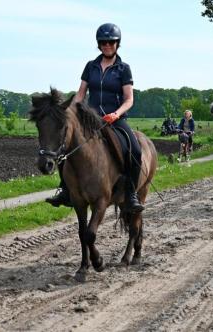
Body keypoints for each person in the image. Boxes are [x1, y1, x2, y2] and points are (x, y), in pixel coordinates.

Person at [46, 23, 144, 213]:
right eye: (103, 42)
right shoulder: (90, 66)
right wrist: (70, 111)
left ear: (117, 44)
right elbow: (81, 93)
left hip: (114, 119)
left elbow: (129, 99)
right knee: (66, 145)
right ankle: (65, 190)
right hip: (89, 119)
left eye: (111, 42)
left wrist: (116, 114)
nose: (107, 45)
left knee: (135, 150)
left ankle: (131, 194)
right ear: (98, 44)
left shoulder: (124, 69)